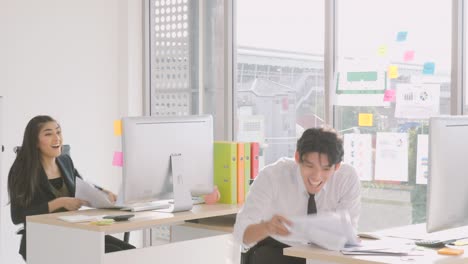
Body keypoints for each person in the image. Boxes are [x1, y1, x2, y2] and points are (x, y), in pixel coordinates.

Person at [8, 115, 135, 261]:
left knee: (128, 252)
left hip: (73, 232)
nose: (57, 139)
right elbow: (17, 216)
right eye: (48, 134)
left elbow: (82, 185)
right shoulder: (22, 171)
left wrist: (104, 192)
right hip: (43, 240)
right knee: (112, 256)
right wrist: (58, 203)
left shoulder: (65, 160)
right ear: (35, 142)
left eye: (58, 132)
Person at [233, 127, 361, 264]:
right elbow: (242, 236)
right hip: (277, 250)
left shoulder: (347, 178)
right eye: (310, 166)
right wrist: (267, 227)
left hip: (325, 254)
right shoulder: (272, 176)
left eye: (326, 169)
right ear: (297, 157)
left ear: (336, 167)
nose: (316, 177)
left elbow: (348, 232)